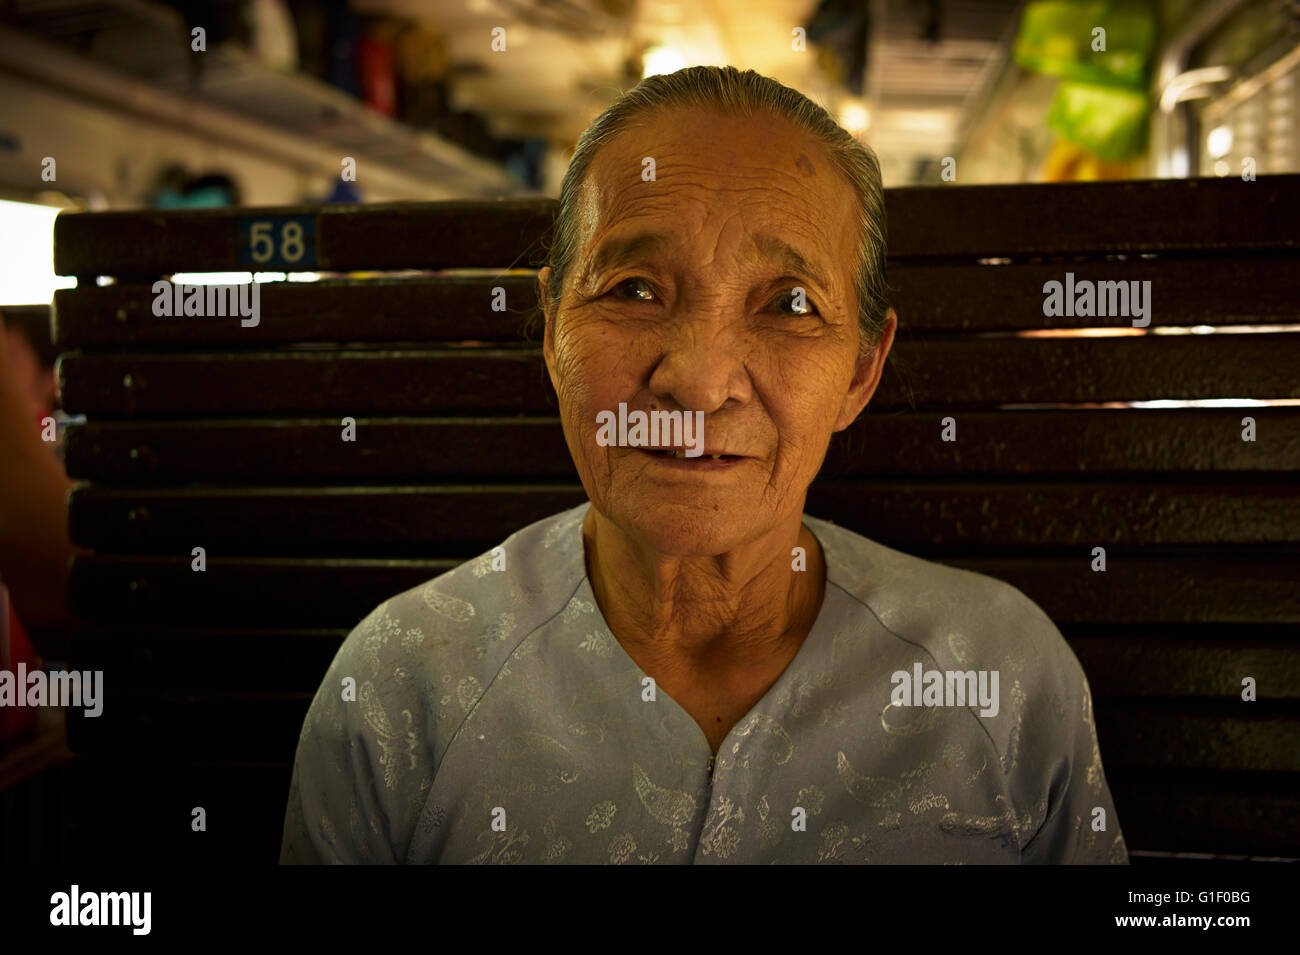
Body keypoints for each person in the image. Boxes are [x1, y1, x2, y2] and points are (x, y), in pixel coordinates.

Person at [280, 65, 1127, 865]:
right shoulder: (401, 686)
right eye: (634, 289)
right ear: (550, 330)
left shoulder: (1000, 677)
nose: (698, 378)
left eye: (789, 304)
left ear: (862, 371)